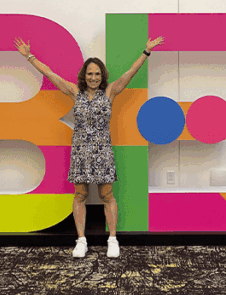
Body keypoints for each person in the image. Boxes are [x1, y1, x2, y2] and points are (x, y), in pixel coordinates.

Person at [14, 36, 164, 258]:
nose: (93, 77)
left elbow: (130, 73)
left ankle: (112, 240)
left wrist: (146, 51)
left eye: (97, 73)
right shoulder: (75, 93)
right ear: (84, 76)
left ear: (102, 75)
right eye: (90, 73)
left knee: (107, 194)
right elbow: (50, 73)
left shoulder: (110, 92)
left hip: (102, 150)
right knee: (80, 194)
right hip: (81, 151)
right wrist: (29, 56)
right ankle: (81, 240)